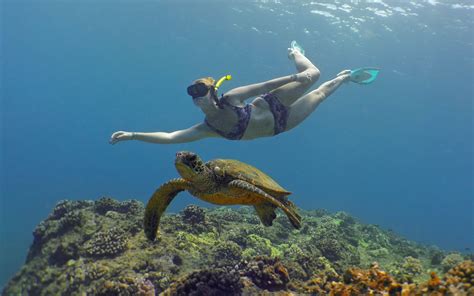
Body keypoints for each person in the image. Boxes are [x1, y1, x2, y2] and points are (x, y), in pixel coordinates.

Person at [110, 41, 355, 145]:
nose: (196, 95)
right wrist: (133, 135)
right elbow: (171, 137)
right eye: (192, 92)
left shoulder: (231, 98)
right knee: (320, 95)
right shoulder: (207, 128)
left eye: (201, 89)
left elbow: (264, 86)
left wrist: (295, 76)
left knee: (315, 74)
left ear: (212, 91)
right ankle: (345, 78)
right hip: (281, 125)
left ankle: (295, 54)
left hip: (270, 103)